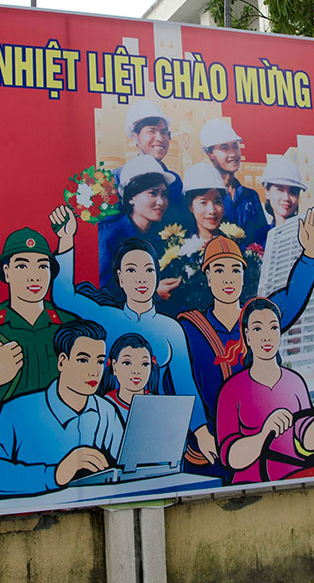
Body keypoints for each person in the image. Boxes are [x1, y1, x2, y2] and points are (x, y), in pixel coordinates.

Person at [49, 204, 218, 462]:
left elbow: (185, 385)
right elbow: (63, 296)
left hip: (155, 431)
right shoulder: (106, 317)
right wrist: (66, 239)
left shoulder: (171, 330)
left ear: (157, 275)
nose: (141, 278)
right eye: (131, 270)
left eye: (148, 270)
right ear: (119, 277)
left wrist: (202, 433)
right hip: (104, 427)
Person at [177, 209, 314, 471]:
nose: (228, 278)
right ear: (208, 276)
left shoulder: (259, 318)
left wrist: (309, 255)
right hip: (209, 447)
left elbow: (293, 297)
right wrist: (200, 430)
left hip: (261, 443)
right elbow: (182, 383)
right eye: (219, 270)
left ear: (244, 275)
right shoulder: (190, 328)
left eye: (235, 269)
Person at [0, 319, 126, 498]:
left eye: (99, 361)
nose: (94, 371)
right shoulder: (18, 411)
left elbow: (127, 463)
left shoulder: (106, 411)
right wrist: (54, 475)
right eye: (83, 360)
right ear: (62, 362)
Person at [217, 298, 314, 483]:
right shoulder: (231, 389)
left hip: (293, 481)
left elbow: (308, 440)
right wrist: (264, 434)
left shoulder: (294, 382)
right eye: (258, 329)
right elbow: (231, 457)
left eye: (273, 328)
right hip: (249, 487)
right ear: (247, 335)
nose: (267, 337)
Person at [0, 228, 78, 429]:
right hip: (0, 443)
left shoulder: (72, 327)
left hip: (60, 440)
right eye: (22, 266)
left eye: (42, 266)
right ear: (7, 272)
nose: (34, 276)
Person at [97, 154, 175, 287]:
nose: (161, 202)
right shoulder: (111, 237)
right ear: (130, 198)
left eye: (164, 194)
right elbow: (100, 288)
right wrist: (152, 291)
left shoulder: (160, 236)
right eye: (153, 193)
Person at [199, 118, 265, 242]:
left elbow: (263, 238)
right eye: (225, 148)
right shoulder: (203, 197)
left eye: (235, 147)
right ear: (210, 154)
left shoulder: (251, 197)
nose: (233, 154)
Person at [113, 99, 183, 208]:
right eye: (151, 131)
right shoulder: (116, 179)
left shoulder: (174, 181)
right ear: (135, 136)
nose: (160, 138)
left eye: (164, 132)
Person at [99, 333, 159, 420]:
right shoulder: (103, 405)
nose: (136, 371)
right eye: (127, 363)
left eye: (144, 364)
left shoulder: (156, 403)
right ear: (114, 366)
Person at [256, 154, 307, 248]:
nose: (286, 198)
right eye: (280, 189)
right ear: (267, 193)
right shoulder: (260, 237)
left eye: (293, 192)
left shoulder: (306, 236)